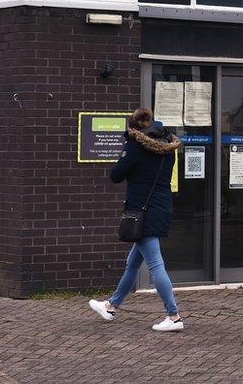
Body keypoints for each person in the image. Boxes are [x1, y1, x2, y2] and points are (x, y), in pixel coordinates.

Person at [88, 108, 184, 332]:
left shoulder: (135, 147)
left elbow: (115, 175)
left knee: (155, 264)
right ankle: (111, 306)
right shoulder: (169, 149)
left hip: (142, 212)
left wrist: (127, 151)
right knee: (133, 263)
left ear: (134, 127)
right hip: (160, 207)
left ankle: (174, 316)